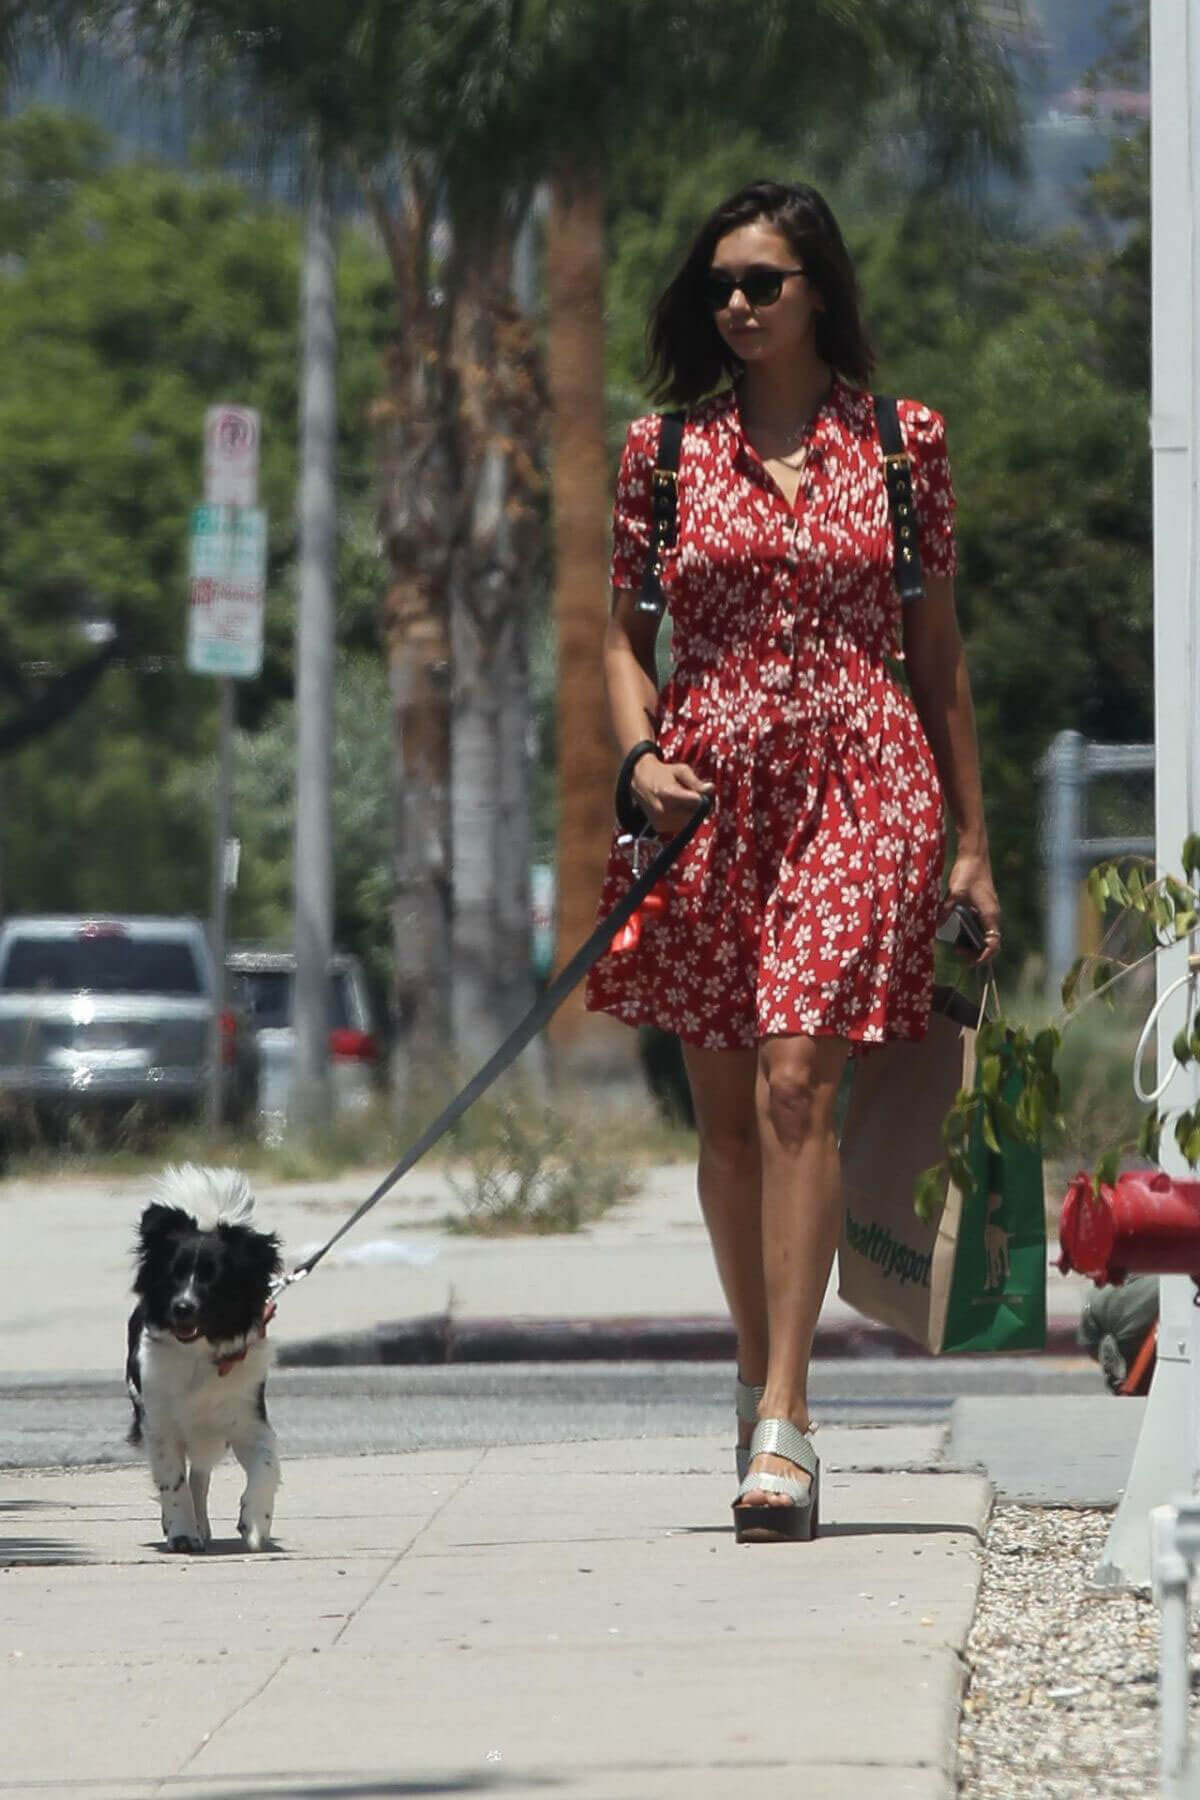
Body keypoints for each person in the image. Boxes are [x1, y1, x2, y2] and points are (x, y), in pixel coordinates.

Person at [584, 180, 1001, 1543]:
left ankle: (788, 1420)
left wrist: (974, 845)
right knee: (723, 1129)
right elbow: (614, 641)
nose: (738, 305)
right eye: (720, 286)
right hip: (706, 798)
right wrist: (638, 763)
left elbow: (938, 662)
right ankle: (761, 1369)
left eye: (763, 281)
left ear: (817, 286)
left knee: (798, 1073)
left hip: (862, 780)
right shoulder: (658, 453)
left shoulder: (901, 444)